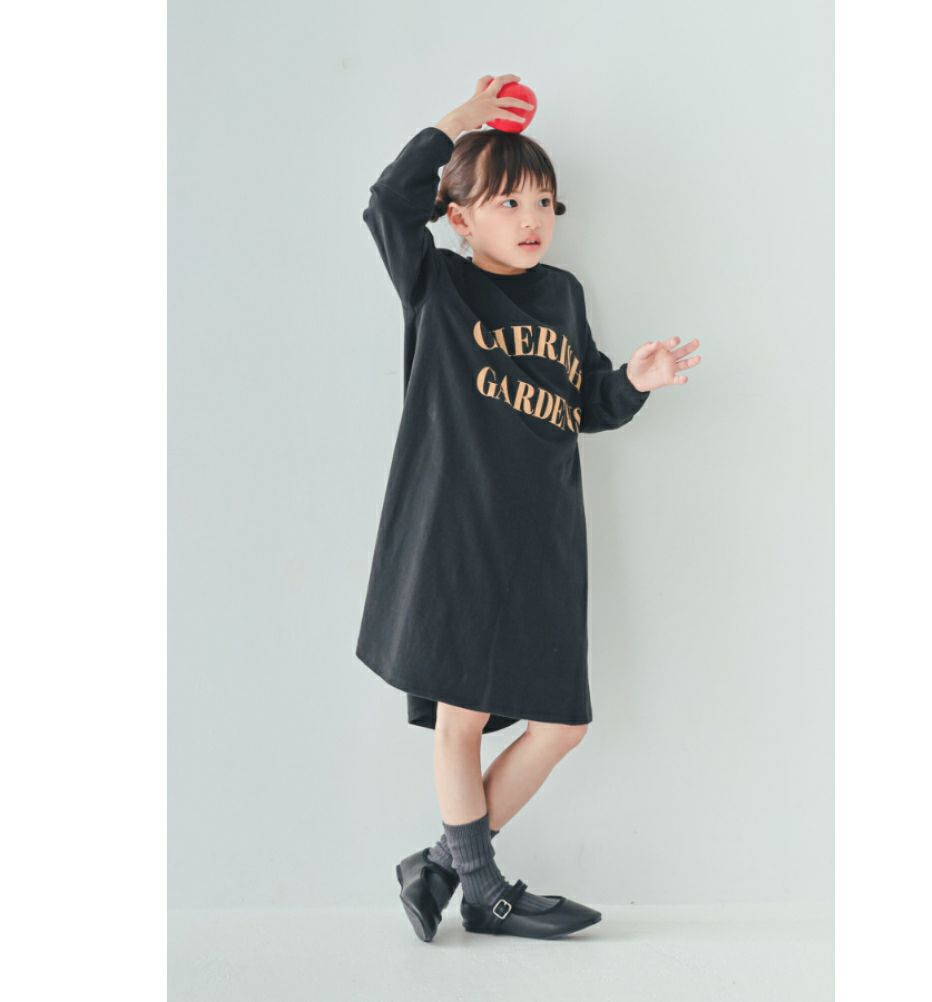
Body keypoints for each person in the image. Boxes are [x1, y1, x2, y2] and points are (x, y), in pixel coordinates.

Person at [356, 74, 702, 941]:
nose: (531, 217)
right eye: (507, 201)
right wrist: (461, 124)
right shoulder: (437, 284)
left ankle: (444, 867)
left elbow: (585, 402)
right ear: (459, 218)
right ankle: (483, 890)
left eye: (543, 200)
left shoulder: (562, 295)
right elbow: (387, 204)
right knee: (461, 718)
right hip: (454, 533)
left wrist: (636, 380)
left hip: (544, 539)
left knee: (563, 723)